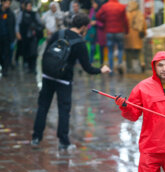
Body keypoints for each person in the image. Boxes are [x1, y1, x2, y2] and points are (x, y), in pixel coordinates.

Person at [31, 13, 111, 150]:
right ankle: (63, 142)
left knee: (43, 107)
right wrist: (101, 70)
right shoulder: (80, 44)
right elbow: (88, 68)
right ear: (84, 27)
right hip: (64, 81)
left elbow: (46, 53)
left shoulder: (58, 33)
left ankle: (36, 137)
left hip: (48, 76)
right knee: (64, 110)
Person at [96, 0, 129, 75]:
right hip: (120, 31)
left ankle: (111, 69)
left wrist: (105, 20)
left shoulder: (105, 6)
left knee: (110, 50)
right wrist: (127, 31)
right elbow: (125, 20)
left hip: (109, 31)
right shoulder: (121, 6)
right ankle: (120, 64)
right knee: (120, 49)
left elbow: (98, 15)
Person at [15, 1, 43, 74]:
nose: (29, 7)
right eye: (28, 6)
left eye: (30, 6)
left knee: (33, 52)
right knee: (25, 51)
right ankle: (27, 65)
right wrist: (18, 33)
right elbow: (17, 24)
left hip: (33, 37)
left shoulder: (34, 14)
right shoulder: (22, 13)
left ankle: (33, 67)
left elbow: (40, 23)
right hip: (24, 36)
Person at [124, 0, 146, 73]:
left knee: (128, 52)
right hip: (137, 35)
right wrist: (144, 32)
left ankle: (129, 67)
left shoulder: (127, 14)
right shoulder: (139, 13)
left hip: (128, 34)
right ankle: (142, 63)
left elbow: (123, 24)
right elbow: (144, 24)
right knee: (139, 51)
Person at [0, 0, 16, 77]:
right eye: (6, 3)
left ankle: (5, 69)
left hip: (7, 37)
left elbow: (13, 26)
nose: (7, 5)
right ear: (2, 2)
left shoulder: (10, 13)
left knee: (6, 53)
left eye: (9, 3)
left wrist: (12, 37)